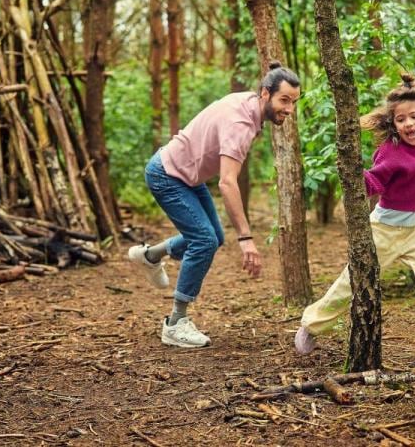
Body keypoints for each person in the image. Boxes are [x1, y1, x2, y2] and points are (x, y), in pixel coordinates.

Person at [294, 73, 415, 364]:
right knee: (353, 279)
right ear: (393, 124)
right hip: (385, 229)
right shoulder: (390, 152)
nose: (409, 124)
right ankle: (311, 325)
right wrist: (353, 174)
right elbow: (375, 181)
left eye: (414, 117)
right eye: (401, 120)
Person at [129, 61, 301, 348]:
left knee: (212, 238)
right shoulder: (241, 124)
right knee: (205, 240)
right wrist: (246, 238)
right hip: (167, 174)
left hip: (186, 175)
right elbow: (227, 182)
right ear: (264, 94)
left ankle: (150, 256)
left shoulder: (248, 102)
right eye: (284, 100)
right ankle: (175, 323)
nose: (289, 109)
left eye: (293, 102)